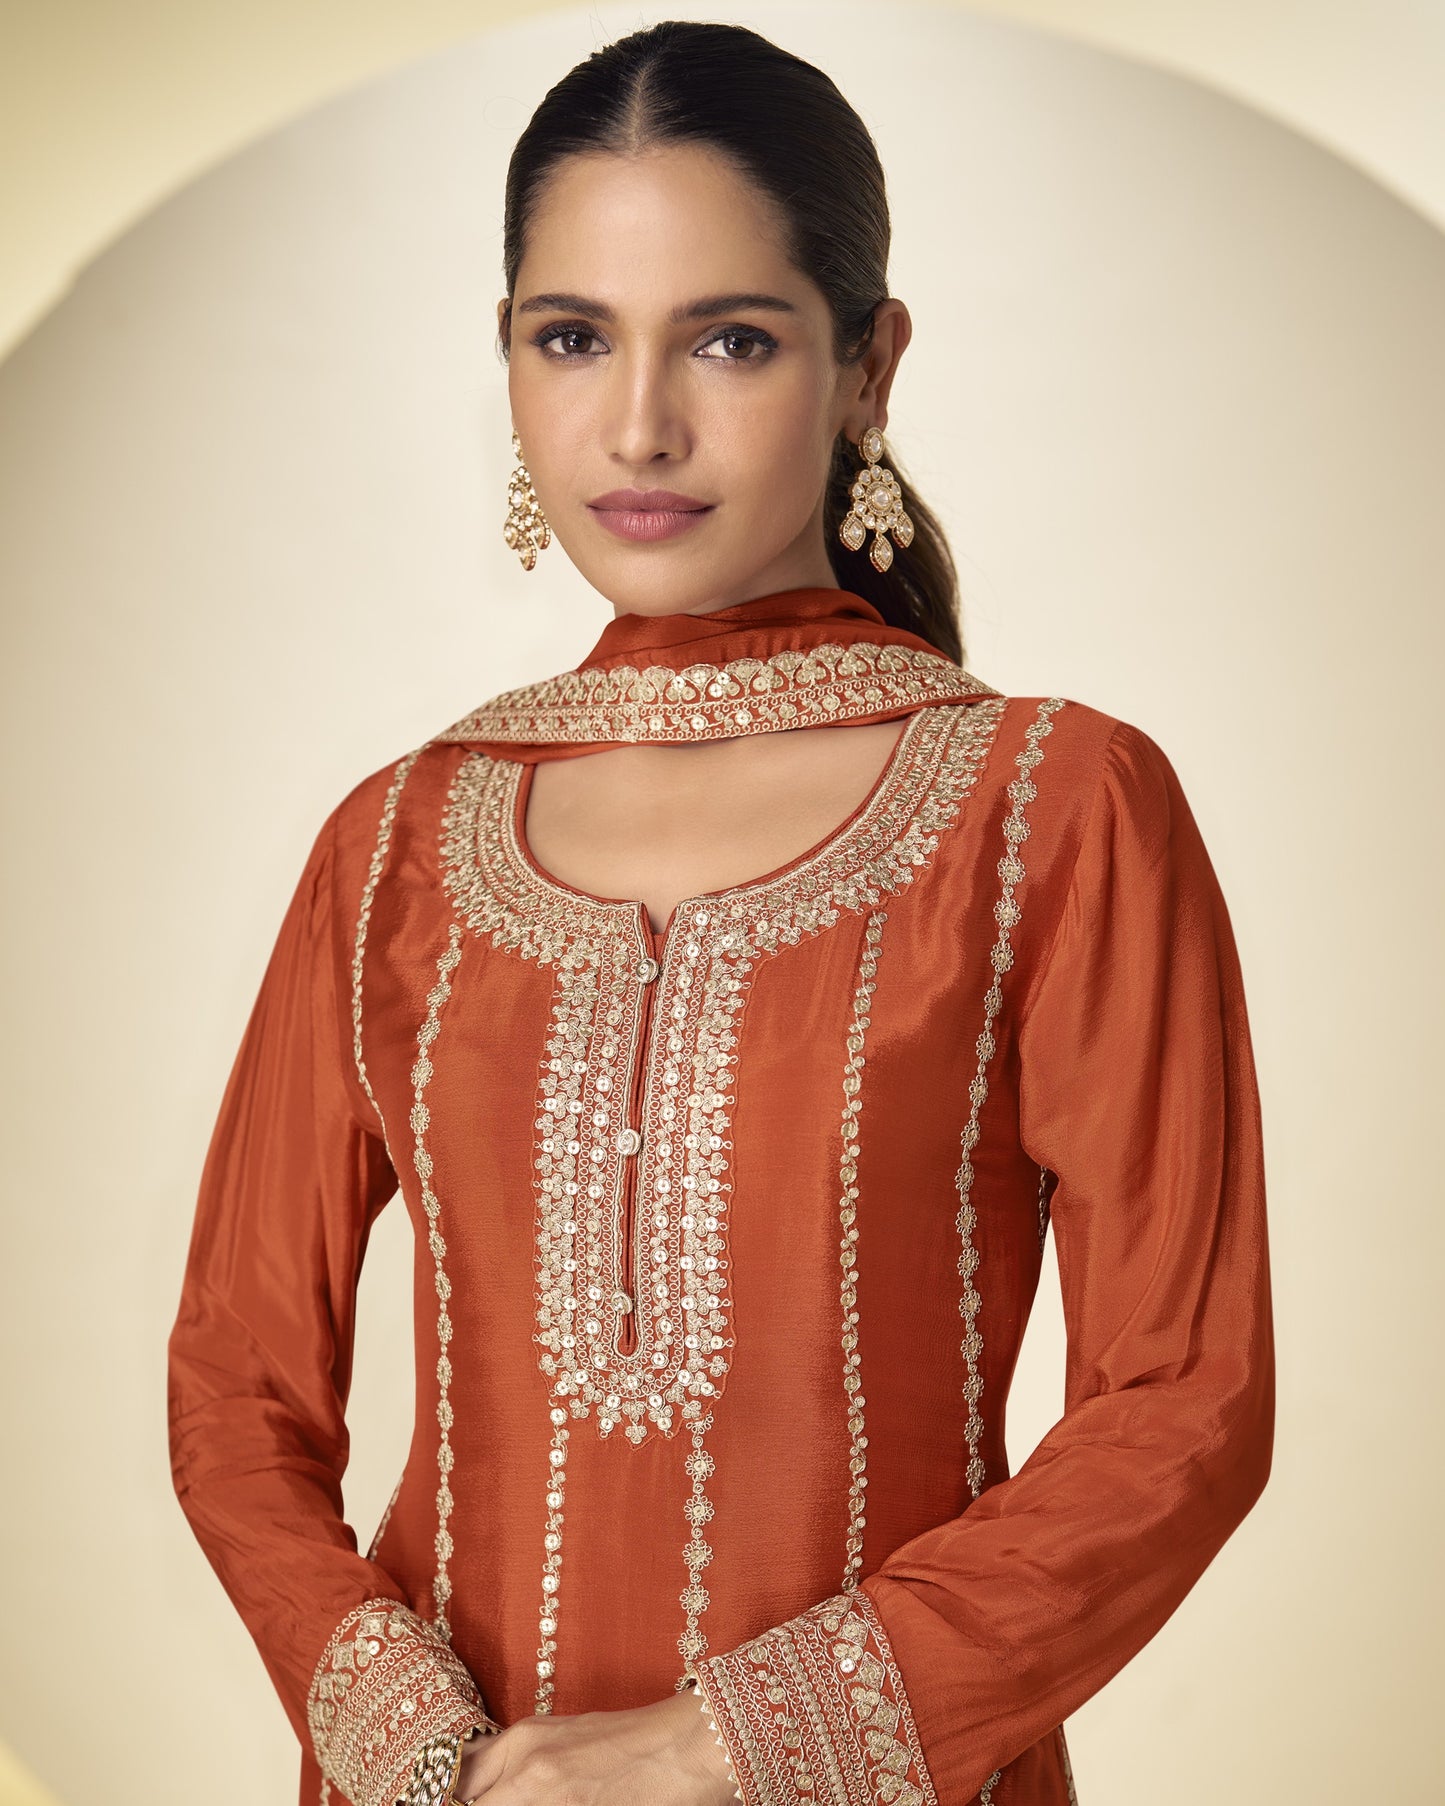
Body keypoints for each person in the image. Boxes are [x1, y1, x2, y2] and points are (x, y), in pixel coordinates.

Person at [166, 19, 1275, 1806]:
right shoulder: (392, 847)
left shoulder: (1053, 811)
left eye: (732, 339)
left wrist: (715, 1753)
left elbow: (1183, 1405)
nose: (638, 424)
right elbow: (234, 1389)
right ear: (510, 364)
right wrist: (419, 1751)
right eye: (572, 336)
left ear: (867, 366)